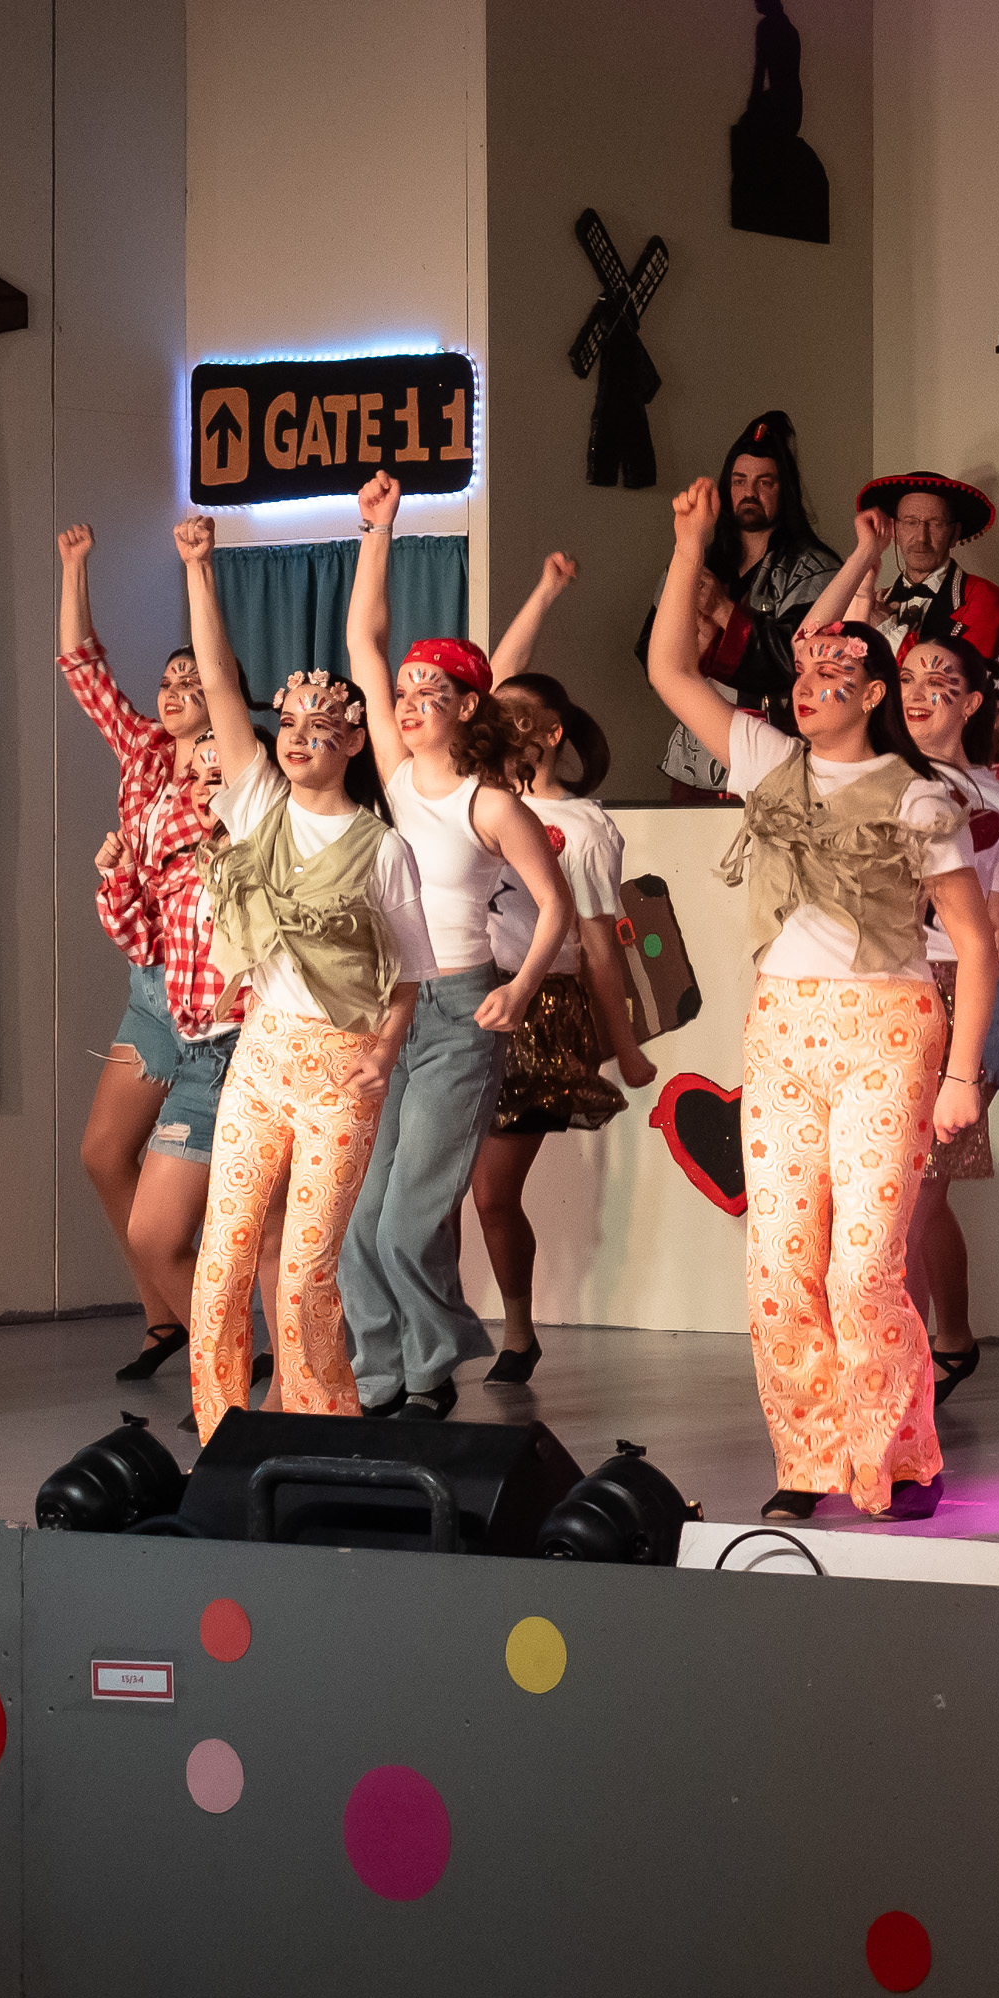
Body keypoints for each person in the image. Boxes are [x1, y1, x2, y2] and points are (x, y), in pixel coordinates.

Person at [650, 477, 996, 1522]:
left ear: (875, 692)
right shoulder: (768, 760)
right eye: (803, 672)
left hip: (890, 1028)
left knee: (864, 1268)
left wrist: (963, 1077)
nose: (809, 687)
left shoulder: (920, 797)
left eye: (834, 673)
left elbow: (974, 945)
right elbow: (669, 671)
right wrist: (690, 544)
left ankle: (898, 1455)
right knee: (780, 1264)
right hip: (784, 1026)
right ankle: (808, 1459)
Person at [800, 513, 999, 1403]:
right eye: (909, 676)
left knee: (911, 1196)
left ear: (971, 703)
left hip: (969, 994)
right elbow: (818, 647)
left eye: (942, 679)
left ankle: (898, 1382)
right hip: (877, 989)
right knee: (892, 1196)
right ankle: (944, 1342)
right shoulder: (869, 778)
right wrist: (864, 562)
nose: (921, 689)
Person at [174, 514, 426, 1443]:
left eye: (323, 728)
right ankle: (222, 1435)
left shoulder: (382, 849)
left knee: (308, 1267)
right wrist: (200, 571)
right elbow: (220, 684)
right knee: (224, 1256)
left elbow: (409, 975)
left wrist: (383, 1056)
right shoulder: (255, 805)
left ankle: (321, 1434)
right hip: (263, 1055)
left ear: (354, 744)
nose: (298, 739)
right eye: (291, 725)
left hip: (342, 1065)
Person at [335, 475, 573, 1421]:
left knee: (407, 1218)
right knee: (363, 1222)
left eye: (428, 691)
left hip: (461, 1010)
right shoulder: (395, 779)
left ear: (469, 707)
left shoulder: (492, 804)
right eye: (402, 693)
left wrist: (519, 988)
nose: (406, 702)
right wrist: (378, 530)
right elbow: (363, 642)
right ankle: (387, 1375)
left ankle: (430, 1366)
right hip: (390, 1008)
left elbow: (554, 908)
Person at [472, 551, 662, 1386]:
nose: (500, 721)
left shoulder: (580, 828)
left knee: (491, 1191)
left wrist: (624, 1046)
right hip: (454, 1000)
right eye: (494, 714)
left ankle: (517, 1328)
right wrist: (543, 592)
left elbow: (599, 944)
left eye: (520, 717)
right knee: (433, 1189)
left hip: (539, 1010)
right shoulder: (471, 797)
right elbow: (494, 678)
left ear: (551, 733)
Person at [53, 523, 209, 1376]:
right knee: (103, 1154)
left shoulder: (235, 771)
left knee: (213, 1195)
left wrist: (198, 568)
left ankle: (223, 1339)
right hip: (151, 983)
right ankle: (165, 1320)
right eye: (169, 680)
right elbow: (82, 666)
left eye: (194, 679)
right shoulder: (144, 751)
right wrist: (75, 565)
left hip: (214, 996)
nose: (176, 689)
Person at [87, 725, 245, 1399]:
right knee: (142, 1212)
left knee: (265, 1235)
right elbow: (140, 938)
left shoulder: (269, 858)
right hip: (175, 1019)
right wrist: (120, 874)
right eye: (198, 778)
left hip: (243, 1047)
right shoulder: (182, 858)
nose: (205, 787)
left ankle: (250, 1380)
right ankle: (208, 1356)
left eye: (221, 775)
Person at [663, 409, 843, 795]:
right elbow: (655, 649)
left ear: (784, 490)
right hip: (694, 757)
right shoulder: (700, 560)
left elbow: (796, 662)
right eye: (739, 481)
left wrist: (721, 610)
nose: (750, 492)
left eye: (764, 482)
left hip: (773, 757)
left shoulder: (816, 570)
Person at [853, 471, 999, 659]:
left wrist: (884, 629)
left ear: (954, 534)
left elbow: (959, 672)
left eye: (935, 523)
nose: (922, 538)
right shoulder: (876, 602)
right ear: (895, 531)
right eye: (910, 522)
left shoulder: (983, 597)